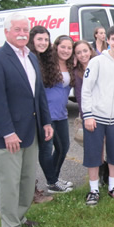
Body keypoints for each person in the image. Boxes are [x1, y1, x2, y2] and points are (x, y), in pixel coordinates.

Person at [0, 13, 53, 227]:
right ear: (6, 32)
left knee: (26, 179)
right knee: (9, 183)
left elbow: (38, 93)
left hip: (30, 130)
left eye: (25, 29)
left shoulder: (31, 57)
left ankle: (19, 217)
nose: (22, 33)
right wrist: (7, 132)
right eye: (17, 29)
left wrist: (46, 121)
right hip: (8, 135)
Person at [81, 25, 114, 206]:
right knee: (93, 154)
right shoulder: (96, 62)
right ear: (108, 40)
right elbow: (86, 90)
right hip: (96, 117)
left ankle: (113, 187)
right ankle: (94, 190)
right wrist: (88, 115)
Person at [36, 35, 75, 194]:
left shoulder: (71, 65)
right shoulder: (46, 64)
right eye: (63, 47)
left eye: (69, 48)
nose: (66, 50)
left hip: (61, 113)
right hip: (47, 114)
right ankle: (52, 182)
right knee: (46, 149)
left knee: (63, 147)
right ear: (56, 47)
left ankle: (54, 178)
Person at [27, 26, 54, 204]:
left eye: (46, 39)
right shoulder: (28, 59)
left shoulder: (45, 59)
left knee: (45, 150)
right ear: (32, 40)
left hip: (43, 115)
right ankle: (31, 191)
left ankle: (49, 182)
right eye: (39, 39)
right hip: (30, 116)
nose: (43, 43)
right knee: (29, 157)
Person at [73, 40, 97, 119]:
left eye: (85, 51)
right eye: (78, 53)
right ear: (75, 55)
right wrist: (85, 116)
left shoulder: (99, 65)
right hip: (88, 115)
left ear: (90, 51)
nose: (83, 55)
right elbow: (79, 96)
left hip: (103, 113)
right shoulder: (76, 72)